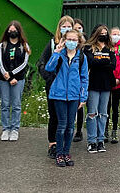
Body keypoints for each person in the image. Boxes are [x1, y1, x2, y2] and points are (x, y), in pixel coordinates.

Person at [45, 29, 89, 167]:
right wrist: (56, 53)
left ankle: (66, 152)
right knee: (61, 125)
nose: (71, 42)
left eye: (74, 40)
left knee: (70, 127)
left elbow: (84, 78)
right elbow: (49, 68)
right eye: (68, 39)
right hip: (58, 95)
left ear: (79, 41)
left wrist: (83, 97)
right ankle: (59, 154)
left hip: (74, 96)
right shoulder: (59, 55)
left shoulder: (81, 57)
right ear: (64, 40)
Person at [37, 15, 74, 157]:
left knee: (66, 117)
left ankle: (64, 143)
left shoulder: (75, 44)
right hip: (54, 86)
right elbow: (42, 63)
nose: (66, 29)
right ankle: (52, 143)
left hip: (69, 87)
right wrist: (48, 78)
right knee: (54, 115)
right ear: (59, 28)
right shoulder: (53, 43)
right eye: (63, 26)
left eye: (68, 26)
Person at [83, 25, 117, 153]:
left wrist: (100, 62)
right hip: (93, 83)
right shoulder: (88, 48)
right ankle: (91, 141)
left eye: (105, 33)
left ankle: (100, 139)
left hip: (107, 84)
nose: (103, 35)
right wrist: (105, 61)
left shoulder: (110, 49)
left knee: (103, 113)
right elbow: (91, 62)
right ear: (96, 34)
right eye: (101, 33)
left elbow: (113, 65)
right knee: (92, 113)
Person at [0, 20, 30, 142]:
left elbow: (24, 64)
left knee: (16, 104)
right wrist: (7, 76)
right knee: (5, 104)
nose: (12, 32)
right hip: (3, 79)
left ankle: (15, 129)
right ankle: (5, 129)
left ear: (19, 31)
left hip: (18, 79)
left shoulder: (24, 46)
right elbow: (0, 62)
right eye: (10, 30)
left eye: (14, 30)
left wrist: (12, 75)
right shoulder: (2, 45)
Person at [72, 19, 86, 142]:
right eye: (75, 28)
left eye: (79, 28)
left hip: (84, 78)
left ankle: (79, 130)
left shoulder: (85, 46)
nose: (77, 30)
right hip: (71, 81)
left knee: (80, 106)